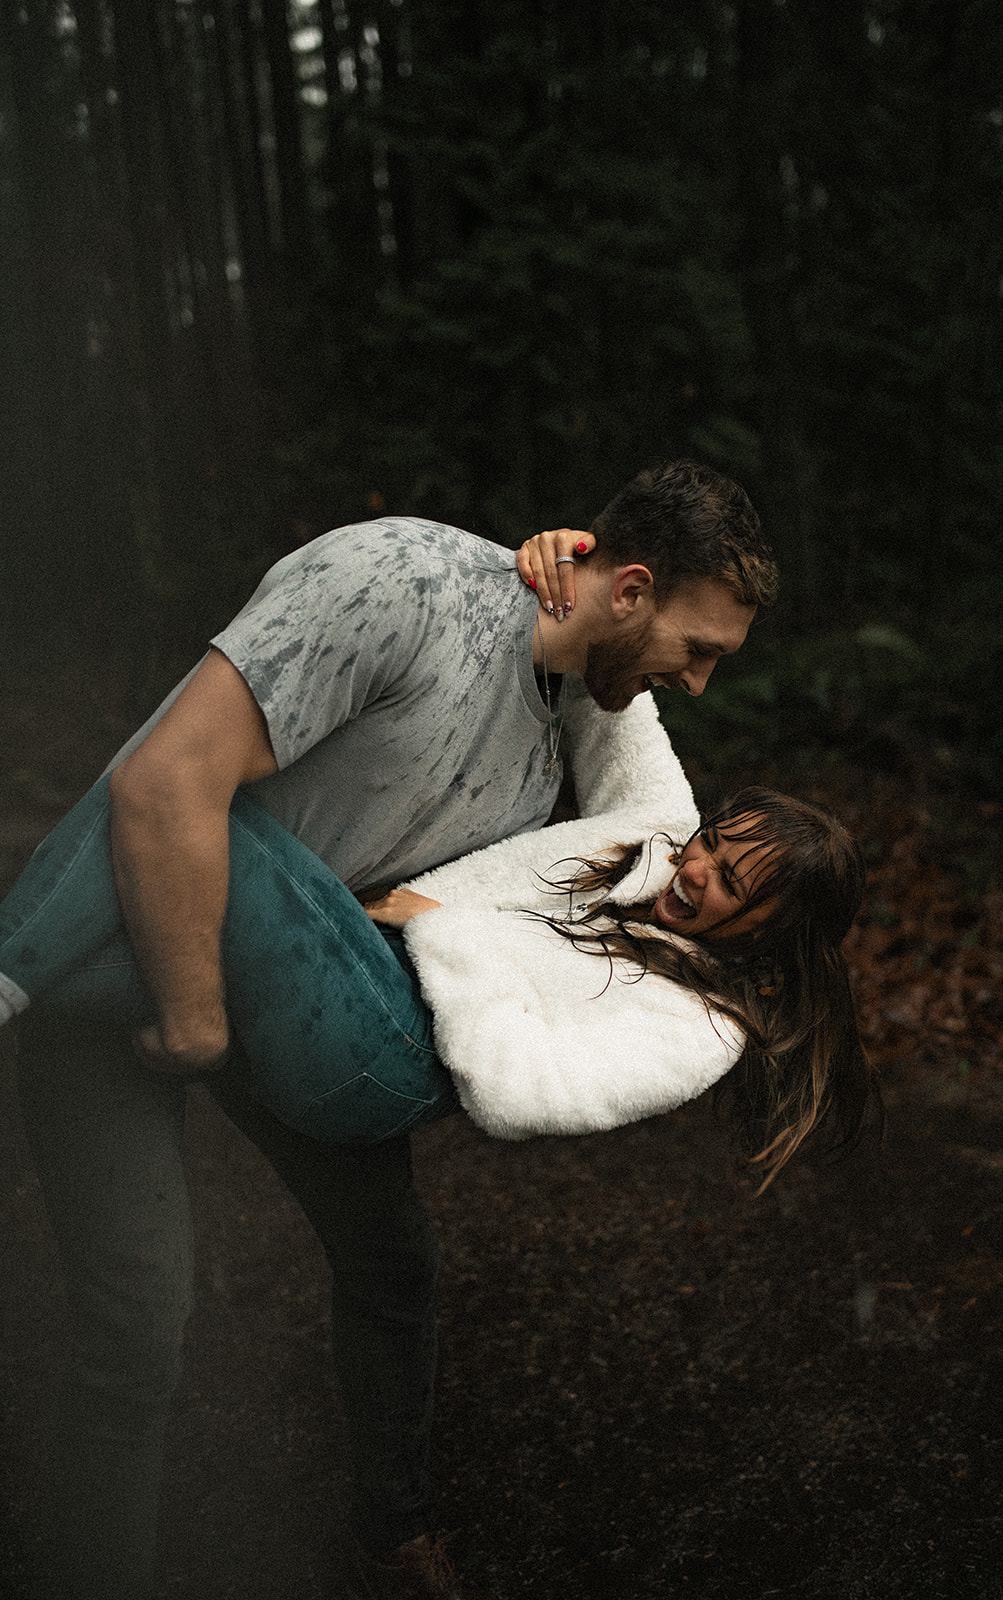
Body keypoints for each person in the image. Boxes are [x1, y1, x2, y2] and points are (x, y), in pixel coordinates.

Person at [10, 460, 779, 1600]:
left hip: (288, 982)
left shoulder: (562, 725)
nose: (699, 683)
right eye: (698, 649)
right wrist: (194, 1019)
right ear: (627, 587)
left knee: (391, 1263)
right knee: (140, 1324)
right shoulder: (396, 584)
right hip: (126, 953)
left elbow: (648, 816)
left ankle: (393, 1535)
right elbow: (162, 786)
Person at [1, 767, 871, 1183]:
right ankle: (21, 986)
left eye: (731, 884)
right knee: (165, 881)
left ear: (777, 933)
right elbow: (628, 674)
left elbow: (522, 1091)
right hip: (360, 976)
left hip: (387, 1052)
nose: (696, 870)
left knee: (189, 796)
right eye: (713, 844)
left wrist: (443, 929)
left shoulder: (700, 1031)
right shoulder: (654, 836)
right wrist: (561, 556)